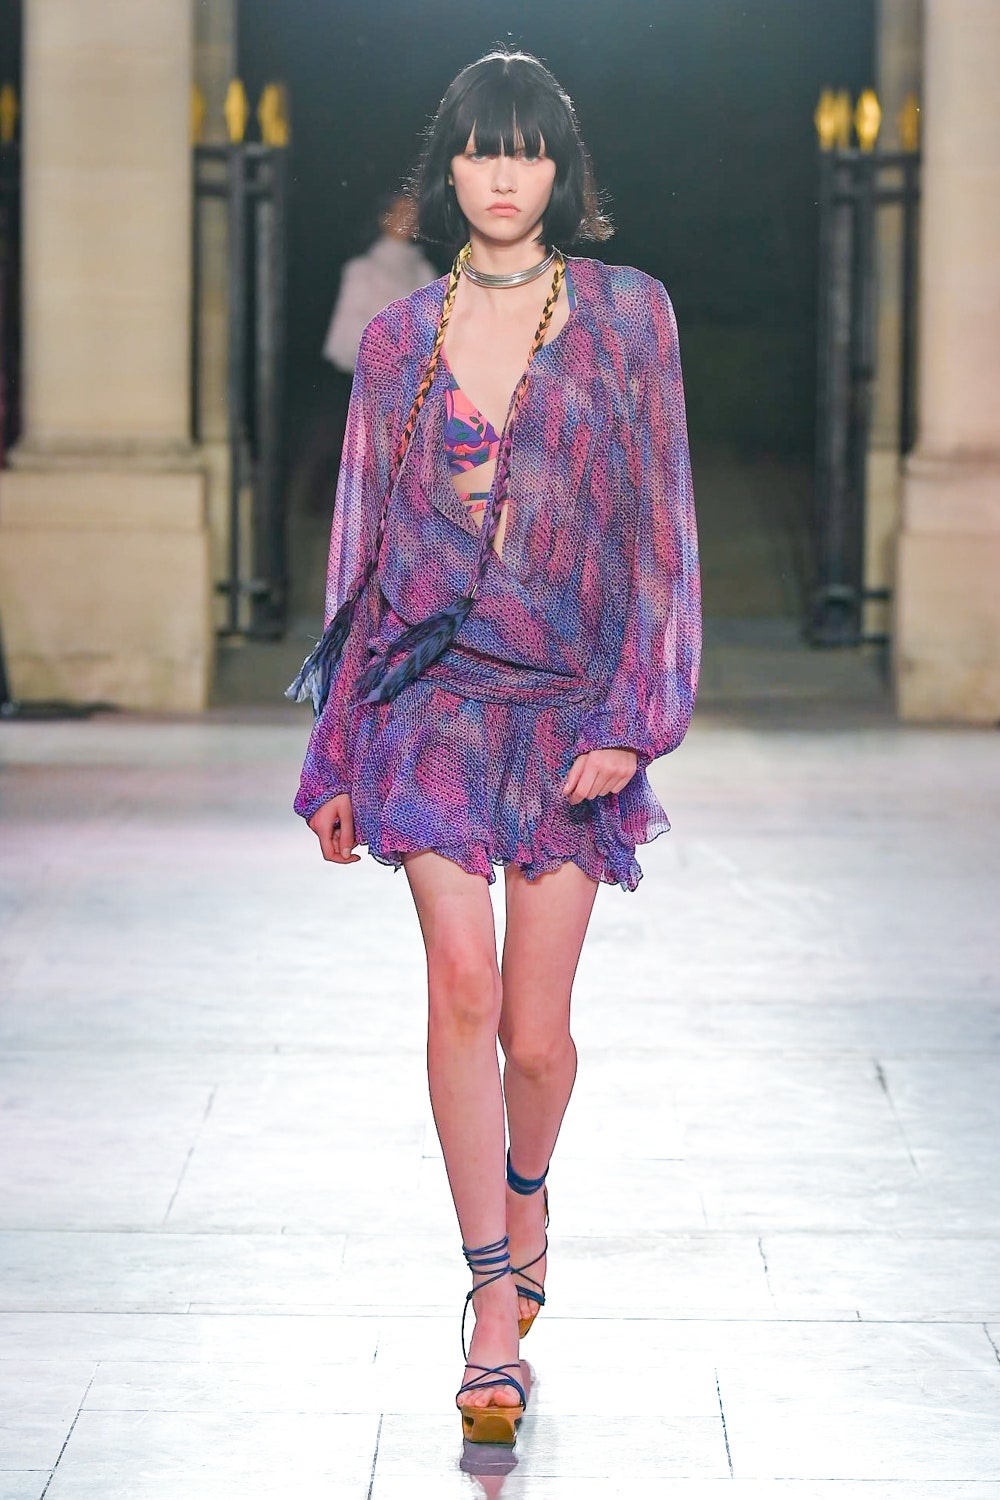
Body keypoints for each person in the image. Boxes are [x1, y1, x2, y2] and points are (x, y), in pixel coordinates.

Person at [288, 49, 701, 1446]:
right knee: (461, 991)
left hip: (570, 713)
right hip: (431, 706)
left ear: (559, 168)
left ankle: (529, 1204)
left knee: (537, 1035)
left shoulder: (630, 318)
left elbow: (660, 532)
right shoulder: (401, 341)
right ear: (449, 169)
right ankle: (489, 1307)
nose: (504, 173)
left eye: (527, 149)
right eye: (480, 149)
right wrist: (338, 753)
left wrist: (635, 719)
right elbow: (362, 553)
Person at [322, 193, 439, 374]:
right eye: (402, 212)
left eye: (413, 214)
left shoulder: (424, 271)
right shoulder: (364, 270)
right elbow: (346, 340)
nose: (409, 219)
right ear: (385, 218)